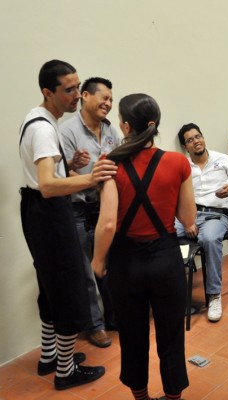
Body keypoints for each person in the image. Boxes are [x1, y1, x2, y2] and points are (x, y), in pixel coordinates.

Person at [92, 94, 196, 400]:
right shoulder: (178, 162)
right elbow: (187, 218)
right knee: (171, 335)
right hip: (166, 257)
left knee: (132, 334)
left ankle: (141, 397)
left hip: (126, 261)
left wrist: (97, 261)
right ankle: (173, 396)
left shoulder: (110, 163)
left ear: (125, 126)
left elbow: (108, 223)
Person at [19, 60, 115, 390]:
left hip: (36, 211)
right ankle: (65, 371)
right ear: (49, 92)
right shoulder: (46, 128)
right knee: (68, 292)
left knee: (49, 289)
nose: (76, 95)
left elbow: (48, 176)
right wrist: (91, 176)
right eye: (69, 90)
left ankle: (49, 357)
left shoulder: (38, 118)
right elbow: (47, 185)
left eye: (77, 87)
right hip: (50, 213)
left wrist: (69, 167)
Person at [60, 76, 120, 347]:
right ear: (85, 96)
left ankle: (113, 317)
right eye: (103, 97)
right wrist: (75, 165)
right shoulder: (67, 131)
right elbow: (61, 173)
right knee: (86, 270)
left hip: (105, 207)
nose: (108, 103)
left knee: (107, 265)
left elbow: (119, 163)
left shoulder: (110, 131)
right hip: (79, 209)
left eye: (110, 99)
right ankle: (94, 325)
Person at [174, 123, 228, 322]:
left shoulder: (222, 160)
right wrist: (187, 221)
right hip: (189, 215)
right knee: (167, 236)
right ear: (185, 146)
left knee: (209, 238)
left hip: (215, 215)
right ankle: (177, 292)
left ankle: (214, 295)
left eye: (198, 136)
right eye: (190, 140)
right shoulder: (182, 166)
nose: (196, 141)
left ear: (203, 138)